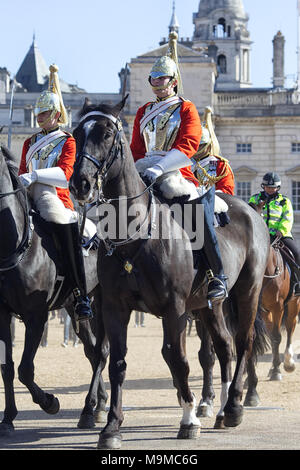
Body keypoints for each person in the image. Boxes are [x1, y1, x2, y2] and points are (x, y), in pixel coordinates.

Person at [130, 32, 227, 303]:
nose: (158, 84)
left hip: (175, 171)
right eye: (154, 79)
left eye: (163, 79)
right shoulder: (142, 112)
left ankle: (217, 273)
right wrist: (136, 168)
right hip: (144, 169)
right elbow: (136, 148)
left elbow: (188, 146)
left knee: (196, 209)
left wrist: (160, 168)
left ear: (173, 82)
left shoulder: (186, 109)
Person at [18, 65, 93, 321]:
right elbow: (20, 173)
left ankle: (80, 294)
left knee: (60, 220)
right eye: (38, 112)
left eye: (45, 112)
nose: (39, 117)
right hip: (28, 194)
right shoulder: (29, 142)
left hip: (54, 196)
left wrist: (37, 175)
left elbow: (65, 174)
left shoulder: (67, 140)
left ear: (57, 114)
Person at [249, 172, 300, 295]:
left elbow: (288, 218)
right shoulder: (255, 199)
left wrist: (281, 230)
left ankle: (296, 284)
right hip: (260, 235)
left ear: (278, 187)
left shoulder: (284, 201)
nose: (270, 189)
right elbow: (250, 214)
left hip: (280, 235)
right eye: (268, 187)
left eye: (273, 187)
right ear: (263, 186)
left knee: (296, 254)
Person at [191, 106, 235, 196]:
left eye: (200, 145)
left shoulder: (221, 165)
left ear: (208, 145)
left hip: (211, 205)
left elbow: (227, 190)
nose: (196, 148)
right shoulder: (184, 163)